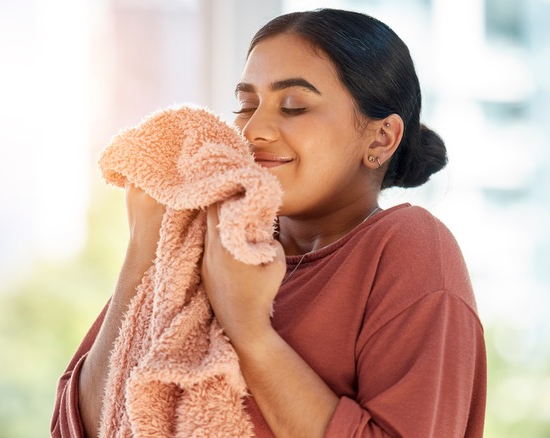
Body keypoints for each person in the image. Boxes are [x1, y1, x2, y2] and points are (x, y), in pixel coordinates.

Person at [53, 8, 486, 438]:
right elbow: (81, 426)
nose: (254, 129)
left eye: (293, 106)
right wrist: (142, 256)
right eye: (246, 105)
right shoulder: (208, 238)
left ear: (380, 138)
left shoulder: (408, 245)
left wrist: (250, 331)